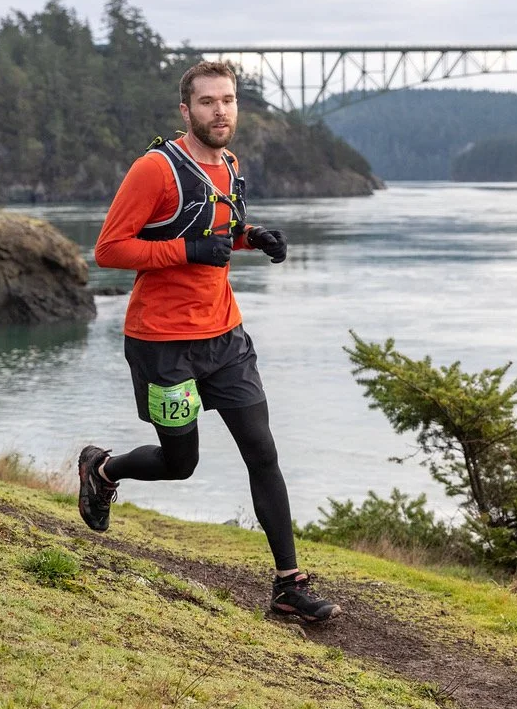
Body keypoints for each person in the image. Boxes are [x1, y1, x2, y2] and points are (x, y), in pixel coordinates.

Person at [77, 60, 341, 623]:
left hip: (226, 338)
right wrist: (187, 253)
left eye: (228, 101)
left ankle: (287, 585)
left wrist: (252, 238)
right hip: (162, 344)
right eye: (207, 102)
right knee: (181, 464)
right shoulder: (155, 169)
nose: (220, 111)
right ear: (186, 110)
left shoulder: (230, 166)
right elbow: (110, 250)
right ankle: (103, 471)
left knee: (263, 454)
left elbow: (216, 230)